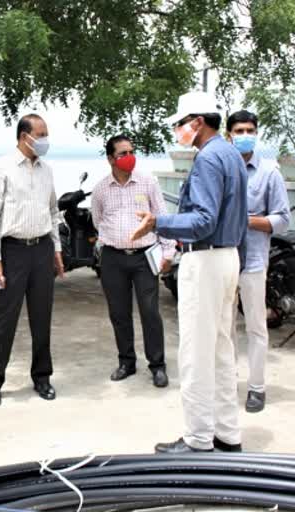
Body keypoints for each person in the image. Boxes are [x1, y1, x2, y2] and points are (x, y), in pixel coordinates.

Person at [131, 91, 248, 454]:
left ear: (197, 122)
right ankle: (227, 434)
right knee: (221, 350)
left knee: (197, 352)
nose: (178, 130)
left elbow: (202, 220)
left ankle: (198, 438)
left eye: (180, 123)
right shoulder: (231, 154)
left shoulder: (209, 159)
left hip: (206, 259)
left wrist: (158, 223)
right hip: (227, 257)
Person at [0, 113, 65, 407]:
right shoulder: (1, 169)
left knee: (42, 317)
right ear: (23, 136)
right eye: (40, 135)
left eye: (45, 134)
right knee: (3, 319)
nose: (44, 140)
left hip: (41, 250)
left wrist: (56, 250)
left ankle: (42, 377)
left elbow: (53, 211)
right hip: (11, 252)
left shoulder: (47, 170)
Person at [91, 135, 176, 387]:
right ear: (110, 159)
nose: (129, 157)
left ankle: (157, 365)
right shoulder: (100, 189)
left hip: (144, 257)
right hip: (113, 258)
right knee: (119, 313)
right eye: (122, 153)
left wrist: (168, 252)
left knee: (150, 311)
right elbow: (98, 222)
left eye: (131, 151)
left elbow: (162, 216)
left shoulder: (148, 182)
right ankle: (126, 361)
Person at [226, 110, 291, 413]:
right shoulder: (222, 167)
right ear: (229, 134)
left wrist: (250, 221)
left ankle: (256, 387)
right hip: (223, 259)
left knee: (255, 327)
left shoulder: (269, 172)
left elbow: (282, 219)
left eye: (249, 129)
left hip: (252, 260)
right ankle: (226, 382)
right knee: (223, 328)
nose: (244, 135)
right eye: (239, 130)